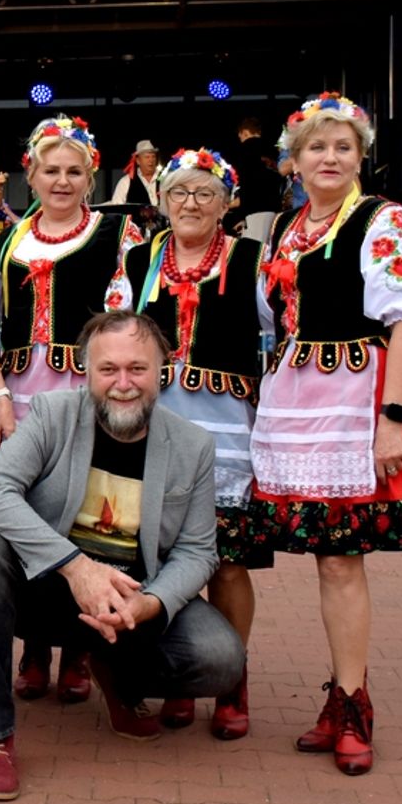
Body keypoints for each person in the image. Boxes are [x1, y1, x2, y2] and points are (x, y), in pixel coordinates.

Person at [0, 311, 245, 801]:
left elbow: (197, 551)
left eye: (138, 369)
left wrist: (150, 603)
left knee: (220, 659)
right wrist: (75, 567)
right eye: (108, 369)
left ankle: (117, 676)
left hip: (131, 602)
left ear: (162, 372)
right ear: (87, 372)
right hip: (48, 588)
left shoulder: (193, 446)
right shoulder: (53, 414)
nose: (123, 384)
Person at [251, 92, 402, 776]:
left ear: (360, 157)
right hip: (299, 401)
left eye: (343, 147)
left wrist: (391, 419)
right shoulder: (286, 226)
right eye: (317, 147)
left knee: (342, 556)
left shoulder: (380, 218)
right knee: (324, 555)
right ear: (294, 161)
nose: (329, 157)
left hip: (351, 400)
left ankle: (352, 701)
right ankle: (341, 694)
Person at [0, 114, 143, 704]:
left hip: (85, 391)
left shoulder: (116, 236)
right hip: (22, 391)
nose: (63, 180)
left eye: (75, 171)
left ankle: (79, 647)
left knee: (86, 505)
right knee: (27, 509)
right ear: (32, 173)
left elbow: (132, 320)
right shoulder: (9, 240)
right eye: (52, 170)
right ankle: (33, 646)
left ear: (91, 177)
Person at [105, 147, 267, 740]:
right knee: (157, 554)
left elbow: (279, 336)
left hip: (226, 429)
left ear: (226, 203)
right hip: (155, 425)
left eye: (204, 194)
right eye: (179, 193)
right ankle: (178, 676)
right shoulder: (140, 257)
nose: (190, 204)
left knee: (225, 562)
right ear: (162, 200)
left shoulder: (253, 257)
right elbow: (117, 333)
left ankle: (231, 677)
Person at [228, 118, 279, 242]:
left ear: (245, 132)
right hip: (276, 208)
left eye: (240, 136)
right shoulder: (274, 150)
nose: (240, 139)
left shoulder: (245, 150)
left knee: (256, 248)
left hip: (255, 208)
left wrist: (233, 204)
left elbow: (250, 183)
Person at [109, 139, 160, 206]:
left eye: (153, 157)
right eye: (147, 157)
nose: (151, 160)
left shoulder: (164, 179)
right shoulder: (126, 182)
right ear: (138, 160)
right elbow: (116, 208)